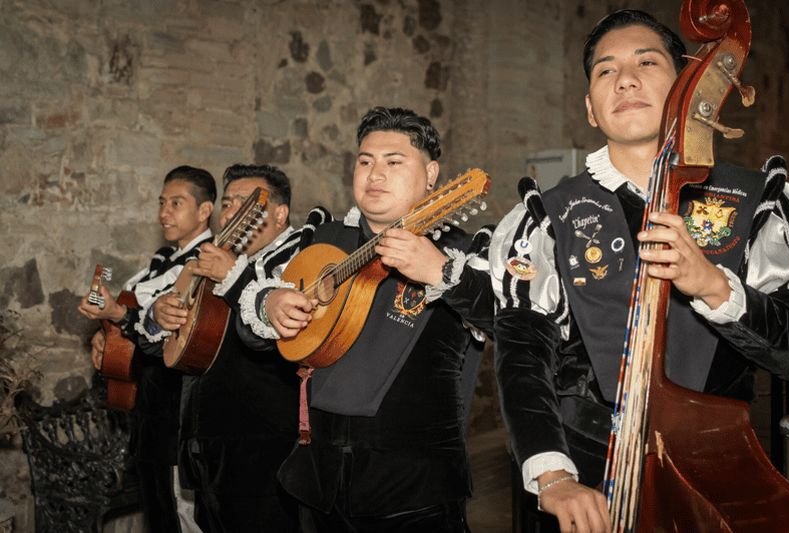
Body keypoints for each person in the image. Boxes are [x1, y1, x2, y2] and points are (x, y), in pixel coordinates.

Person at [490, 9, 789, 533]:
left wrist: (713, 287)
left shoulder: (757, 203)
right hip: (584, 474)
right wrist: (552, 474)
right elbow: (523, 359)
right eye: (605, 70)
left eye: (646, 62)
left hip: (720, 472)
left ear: (685, 82)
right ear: (591, 109)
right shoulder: (547, 215)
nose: (625, 79)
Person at [240, 106, 494, 531]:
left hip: (414, 494)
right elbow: (250, 333)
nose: (375, 174)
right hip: (317, 485)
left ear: (431, 175)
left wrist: (442, 273)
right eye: (365, 162)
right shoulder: (321, 239)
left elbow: (512, 324)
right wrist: (271, 305)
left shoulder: (465, 251)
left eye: (394, 162)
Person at [151, 163, 329, 532]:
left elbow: (281, 331)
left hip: (266, 448)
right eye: (227, 203)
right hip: (207, 443)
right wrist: (160, 313)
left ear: (279, 214)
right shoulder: (212, 264)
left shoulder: (302, 254)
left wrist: (235, 274)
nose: (231, 212)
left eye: (244, 203)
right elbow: (175, 344)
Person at [78, 165, 216, 533]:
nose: (163, 213)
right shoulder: (159, 262)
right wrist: (103, 332)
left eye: (176, 203)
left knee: (181, 515)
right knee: (158, 512)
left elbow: (154, 318)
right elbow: (131, 304)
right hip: (149, 415)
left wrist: (117, 315)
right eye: (161, 202)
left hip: (177, 419)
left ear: (205, 211)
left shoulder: (204, 266)